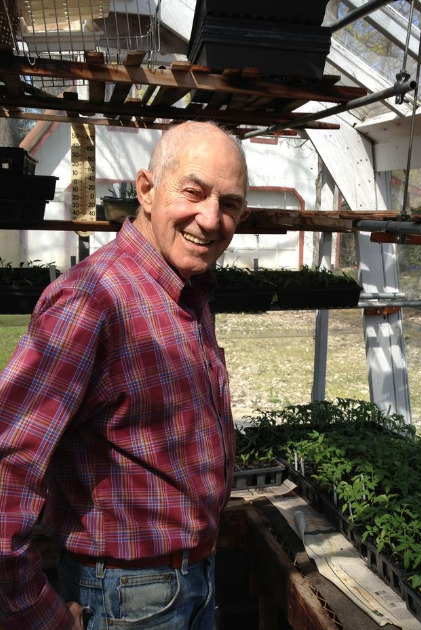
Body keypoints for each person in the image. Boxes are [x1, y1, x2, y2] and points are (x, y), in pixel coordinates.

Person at [0, 120, 249, 630]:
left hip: (193, 577)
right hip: (126, 598)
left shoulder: (186, 288)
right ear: (147, 190)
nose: (211, 219)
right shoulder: (91, 301)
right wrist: (32, 613)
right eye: (195, 193)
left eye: (230, 205)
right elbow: (6, 468)